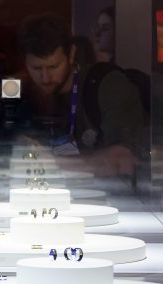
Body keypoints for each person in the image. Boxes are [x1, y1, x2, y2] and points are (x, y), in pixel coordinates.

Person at [18, 12, 144, 177]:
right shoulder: (31, 95)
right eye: (36, 68)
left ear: (71, 55)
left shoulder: (108, 85)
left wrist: (50, 163)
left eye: (53, 67)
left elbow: (122, 160)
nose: (45, 78)